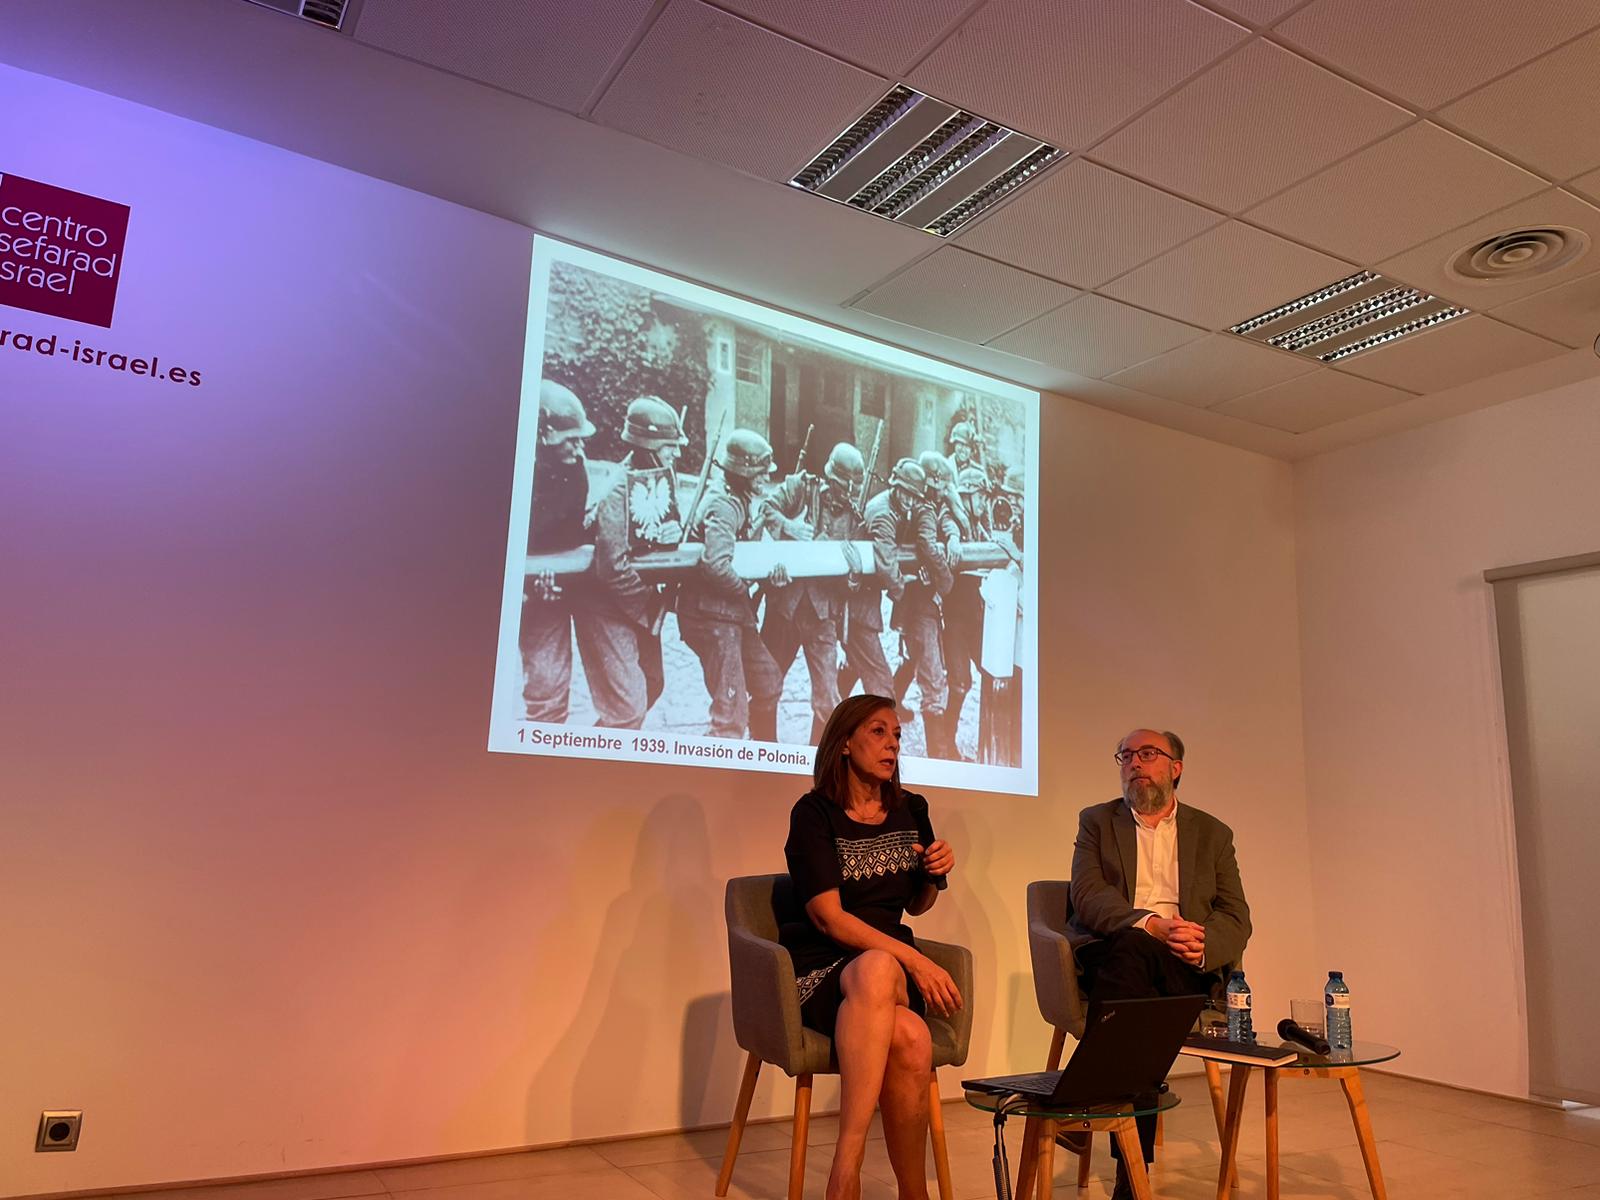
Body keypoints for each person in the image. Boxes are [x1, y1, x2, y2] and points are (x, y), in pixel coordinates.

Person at [781, 694, 960, 1200]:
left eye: (897, 735)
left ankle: (847, 1171)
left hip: (888, 967)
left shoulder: (911, 808)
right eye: (879, 732)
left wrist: (934, 872)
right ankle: (892, 1183)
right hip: (824, 969)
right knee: (911, 1037)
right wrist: (916, 960)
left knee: (880, 968)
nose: (892, 744)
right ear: (844, 743)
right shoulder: (814, 813)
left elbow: (918, 906)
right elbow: (829, 918)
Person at [1065, 728, 1251, 1199]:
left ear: (1176, 768)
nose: (1135, 762)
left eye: (1148, 753)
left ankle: (1086, 1099)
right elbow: (1087, 895)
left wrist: (1202, 942)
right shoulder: (1097, 821)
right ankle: (1133, 1173)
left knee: (1134, 1003)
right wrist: (1150, 924)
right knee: (1134, 955)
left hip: (1184, 964)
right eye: (1125, 755)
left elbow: (1236, 915)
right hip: (1118, 949)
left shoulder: (1213, 833)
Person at [676, 428, 784, 740]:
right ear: (744, 473)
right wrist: (745, 588)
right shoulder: (723, 505)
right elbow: (716, 565)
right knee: (730, 716)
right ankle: (718, 759)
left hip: (730, 613)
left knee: (768, 681)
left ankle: (758, 753)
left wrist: (766, 576)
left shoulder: (740, 500)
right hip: (710, 616)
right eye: (761, 473)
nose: (766, 478)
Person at [761, 442, 870, 741]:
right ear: (830, 478)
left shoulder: (856, 519)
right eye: (842, 487)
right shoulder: (800, 488)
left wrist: (854, 576)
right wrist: (789, 527)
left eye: (852, 489)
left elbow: (853, 583)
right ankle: (765, 750)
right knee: (766, 685)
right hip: (784, 607)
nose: (847, 494)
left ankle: (817, 755)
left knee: (828, 698)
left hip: (822, 615)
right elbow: (766, 508)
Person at [867, 459, 954, 758]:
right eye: (904, 493)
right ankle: (939, 757)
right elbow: (897, 553)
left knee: (908, 660)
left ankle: (886, 710)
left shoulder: (918, 506)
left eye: (913, 495)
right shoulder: (892, 511)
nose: (909, 500)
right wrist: (942, 581)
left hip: (909, 596)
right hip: (896, 596)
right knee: (931, 677)